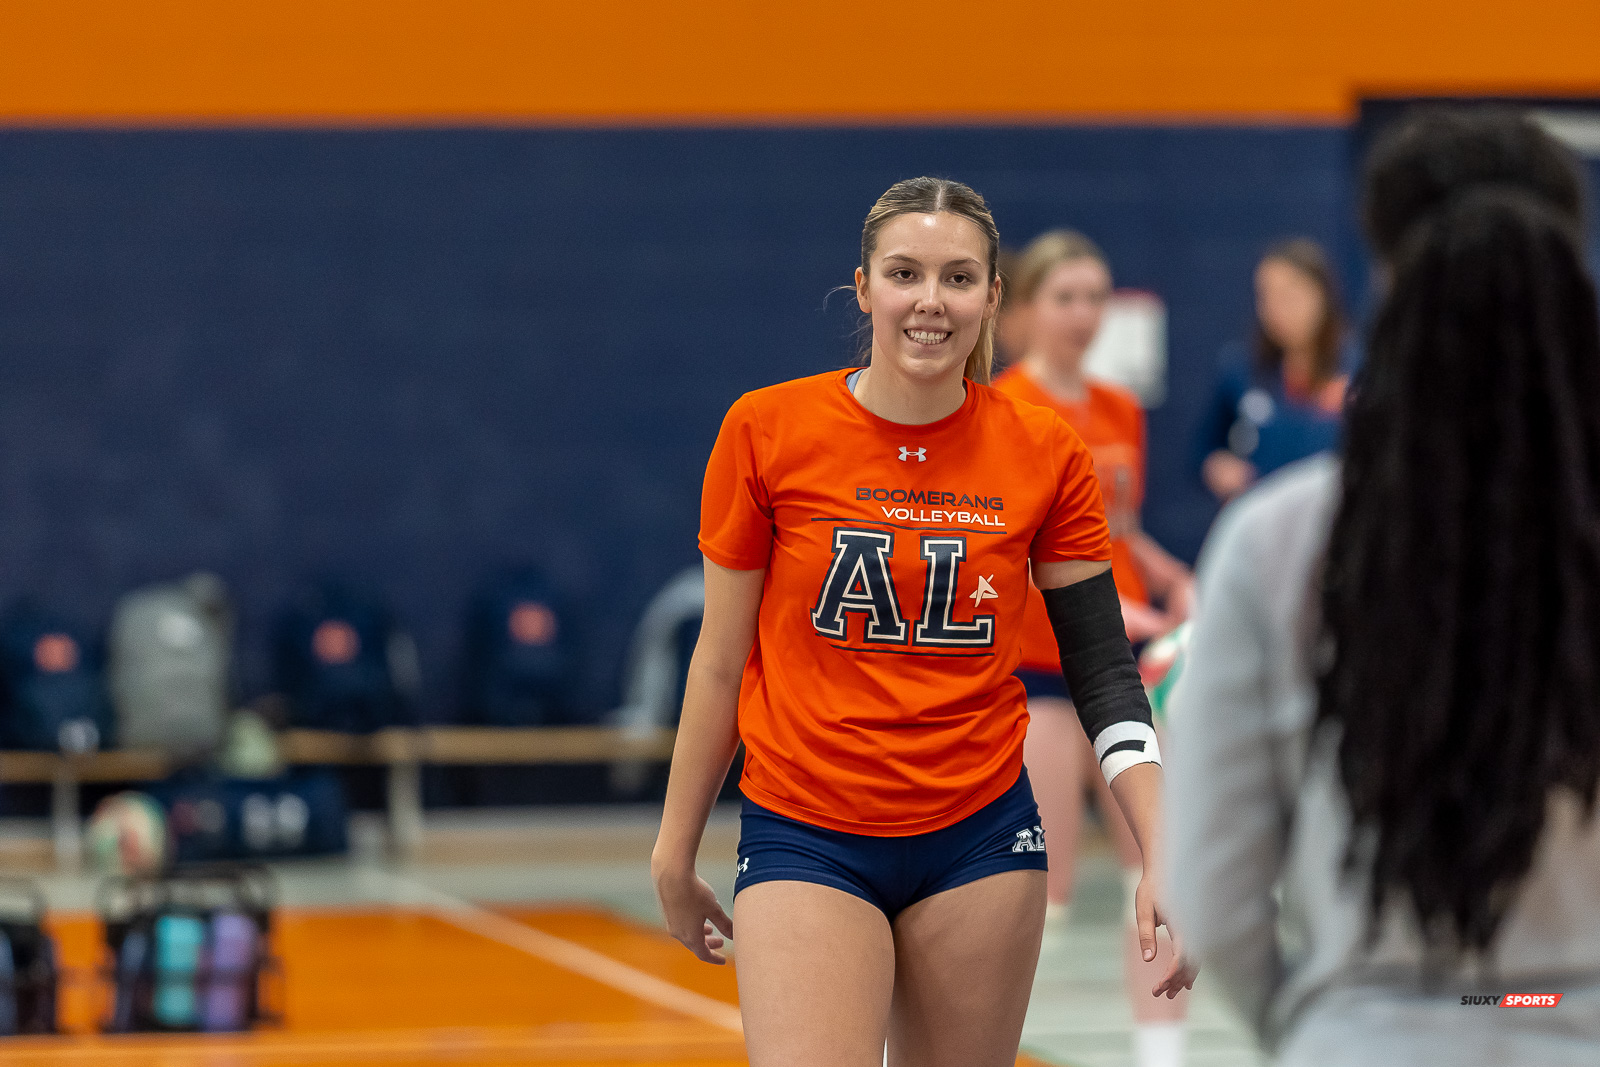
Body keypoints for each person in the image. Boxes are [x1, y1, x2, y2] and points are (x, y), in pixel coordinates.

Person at [652, 176, 1193, 1067]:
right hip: (806, 831)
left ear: (991, 297)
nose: (930, 302)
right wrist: (675, 851)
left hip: (980, 836)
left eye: (958, 277)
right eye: (905, 273)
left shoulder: (1045, 449)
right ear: (863, 289)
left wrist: (1165, 847)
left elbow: (1103, 670)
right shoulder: (766, 430)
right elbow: (718, 662)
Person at [1167, 108, 1600, 1066]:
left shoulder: (1279, 539)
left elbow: (1212, 880)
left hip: (1362, 1031)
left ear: (1389, 284)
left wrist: (1321, 1017)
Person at [992, 230, 1194, 1067]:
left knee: (1162, 868)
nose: (1082, 314)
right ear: (1027, 307)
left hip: (1126, 669)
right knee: (1041, 890)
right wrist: (1114, 606)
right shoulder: (1005, 408)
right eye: (1065, 297)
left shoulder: (1117, 408)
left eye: (1094, 297)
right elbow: (1015, 552)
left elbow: (1121, 530)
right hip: (1041, 670)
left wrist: (1169, 578)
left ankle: (1163, 1055)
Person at [1196, 238, 1351, 503]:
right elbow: (1203, 451)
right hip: (1266, 524)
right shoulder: (1243, 370)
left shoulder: (1360, 369)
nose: (1277, 309)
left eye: (1289, 294)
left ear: (1322, 296)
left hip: (1336, 521)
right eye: (1265, 296)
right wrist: (1219, 467)